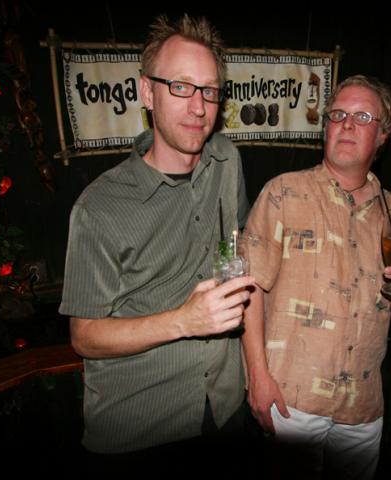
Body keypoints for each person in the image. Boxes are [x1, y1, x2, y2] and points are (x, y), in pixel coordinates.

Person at [59, 14, 256, 477]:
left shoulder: (227, 161)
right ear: (147, 92)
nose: (198, 107)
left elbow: (238, 244)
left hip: (225, 409)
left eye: (209, 91)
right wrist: (184, 321)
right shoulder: (99, 207)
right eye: (181, 87)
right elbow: (84, 337)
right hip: (141, 428)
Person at [241, 75, 391, 479]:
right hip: (290, 400)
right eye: (338, 115)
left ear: (383, 136)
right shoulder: (282, 192)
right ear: (325, 127)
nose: (347, 124)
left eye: (363, 117)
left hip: (362, 406)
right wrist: (257, 377)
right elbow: (249, 287)